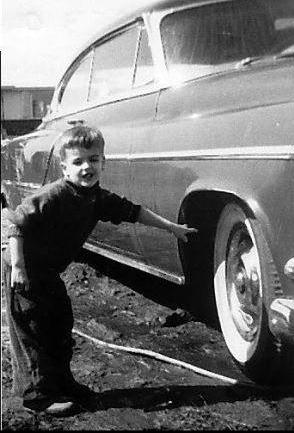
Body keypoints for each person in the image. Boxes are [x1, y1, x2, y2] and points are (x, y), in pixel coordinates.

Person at [2, 125, 197, 416]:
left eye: (93, 160)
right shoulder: (53, 196)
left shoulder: (98, 198)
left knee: (60, 325)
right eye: (78, 162)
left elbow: (134, 211)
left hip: (49, 273)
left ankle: (62, 383)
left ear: (103, 163)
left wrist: (170, 227)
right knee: (32, 330)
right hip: (23, 270)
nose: (86, 167)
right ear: (65, 168)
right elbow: (16, 225)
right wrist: (17, 266)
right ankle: (37, 396)